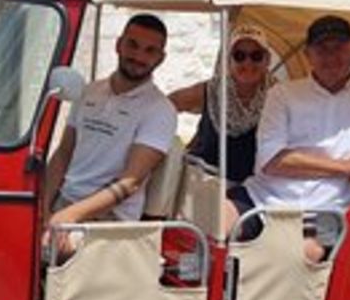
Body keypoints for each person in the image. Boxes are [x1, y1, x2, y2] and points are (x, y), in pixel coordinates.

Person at [224, 15, 350, 262]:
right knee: (210, 227)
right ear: (308, 54)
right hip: (263, 198)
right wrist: (347, 167)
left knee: (303, 255)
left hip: (332, 211)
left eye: (339, 48)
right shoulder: (283, 94)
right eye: (322, 49)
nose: (331, 56)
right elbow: (271, 161)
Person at [44, 14, 178, 238]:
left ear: (161, 58)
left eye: (150, 51)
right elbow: (63, 154)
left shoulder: (160, 110)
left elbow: (130, 182)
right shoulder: (89, 92)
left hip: (109, 219)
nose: (138, 56)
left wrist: (69, 217)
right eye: (132, 45)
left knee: (46, 252)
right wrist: (43, 206)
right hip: (65, 202)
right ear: (118, 45)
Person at [170, 25, 272, 184]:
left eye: (256, 56)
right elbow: (166, 106)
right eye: (239, 56)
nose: (248, 62)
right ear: (228, 60)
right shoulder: (211, 90)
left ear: (267, 60)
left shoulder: (278, 97)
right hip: (199, 181)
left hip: (249, 190)